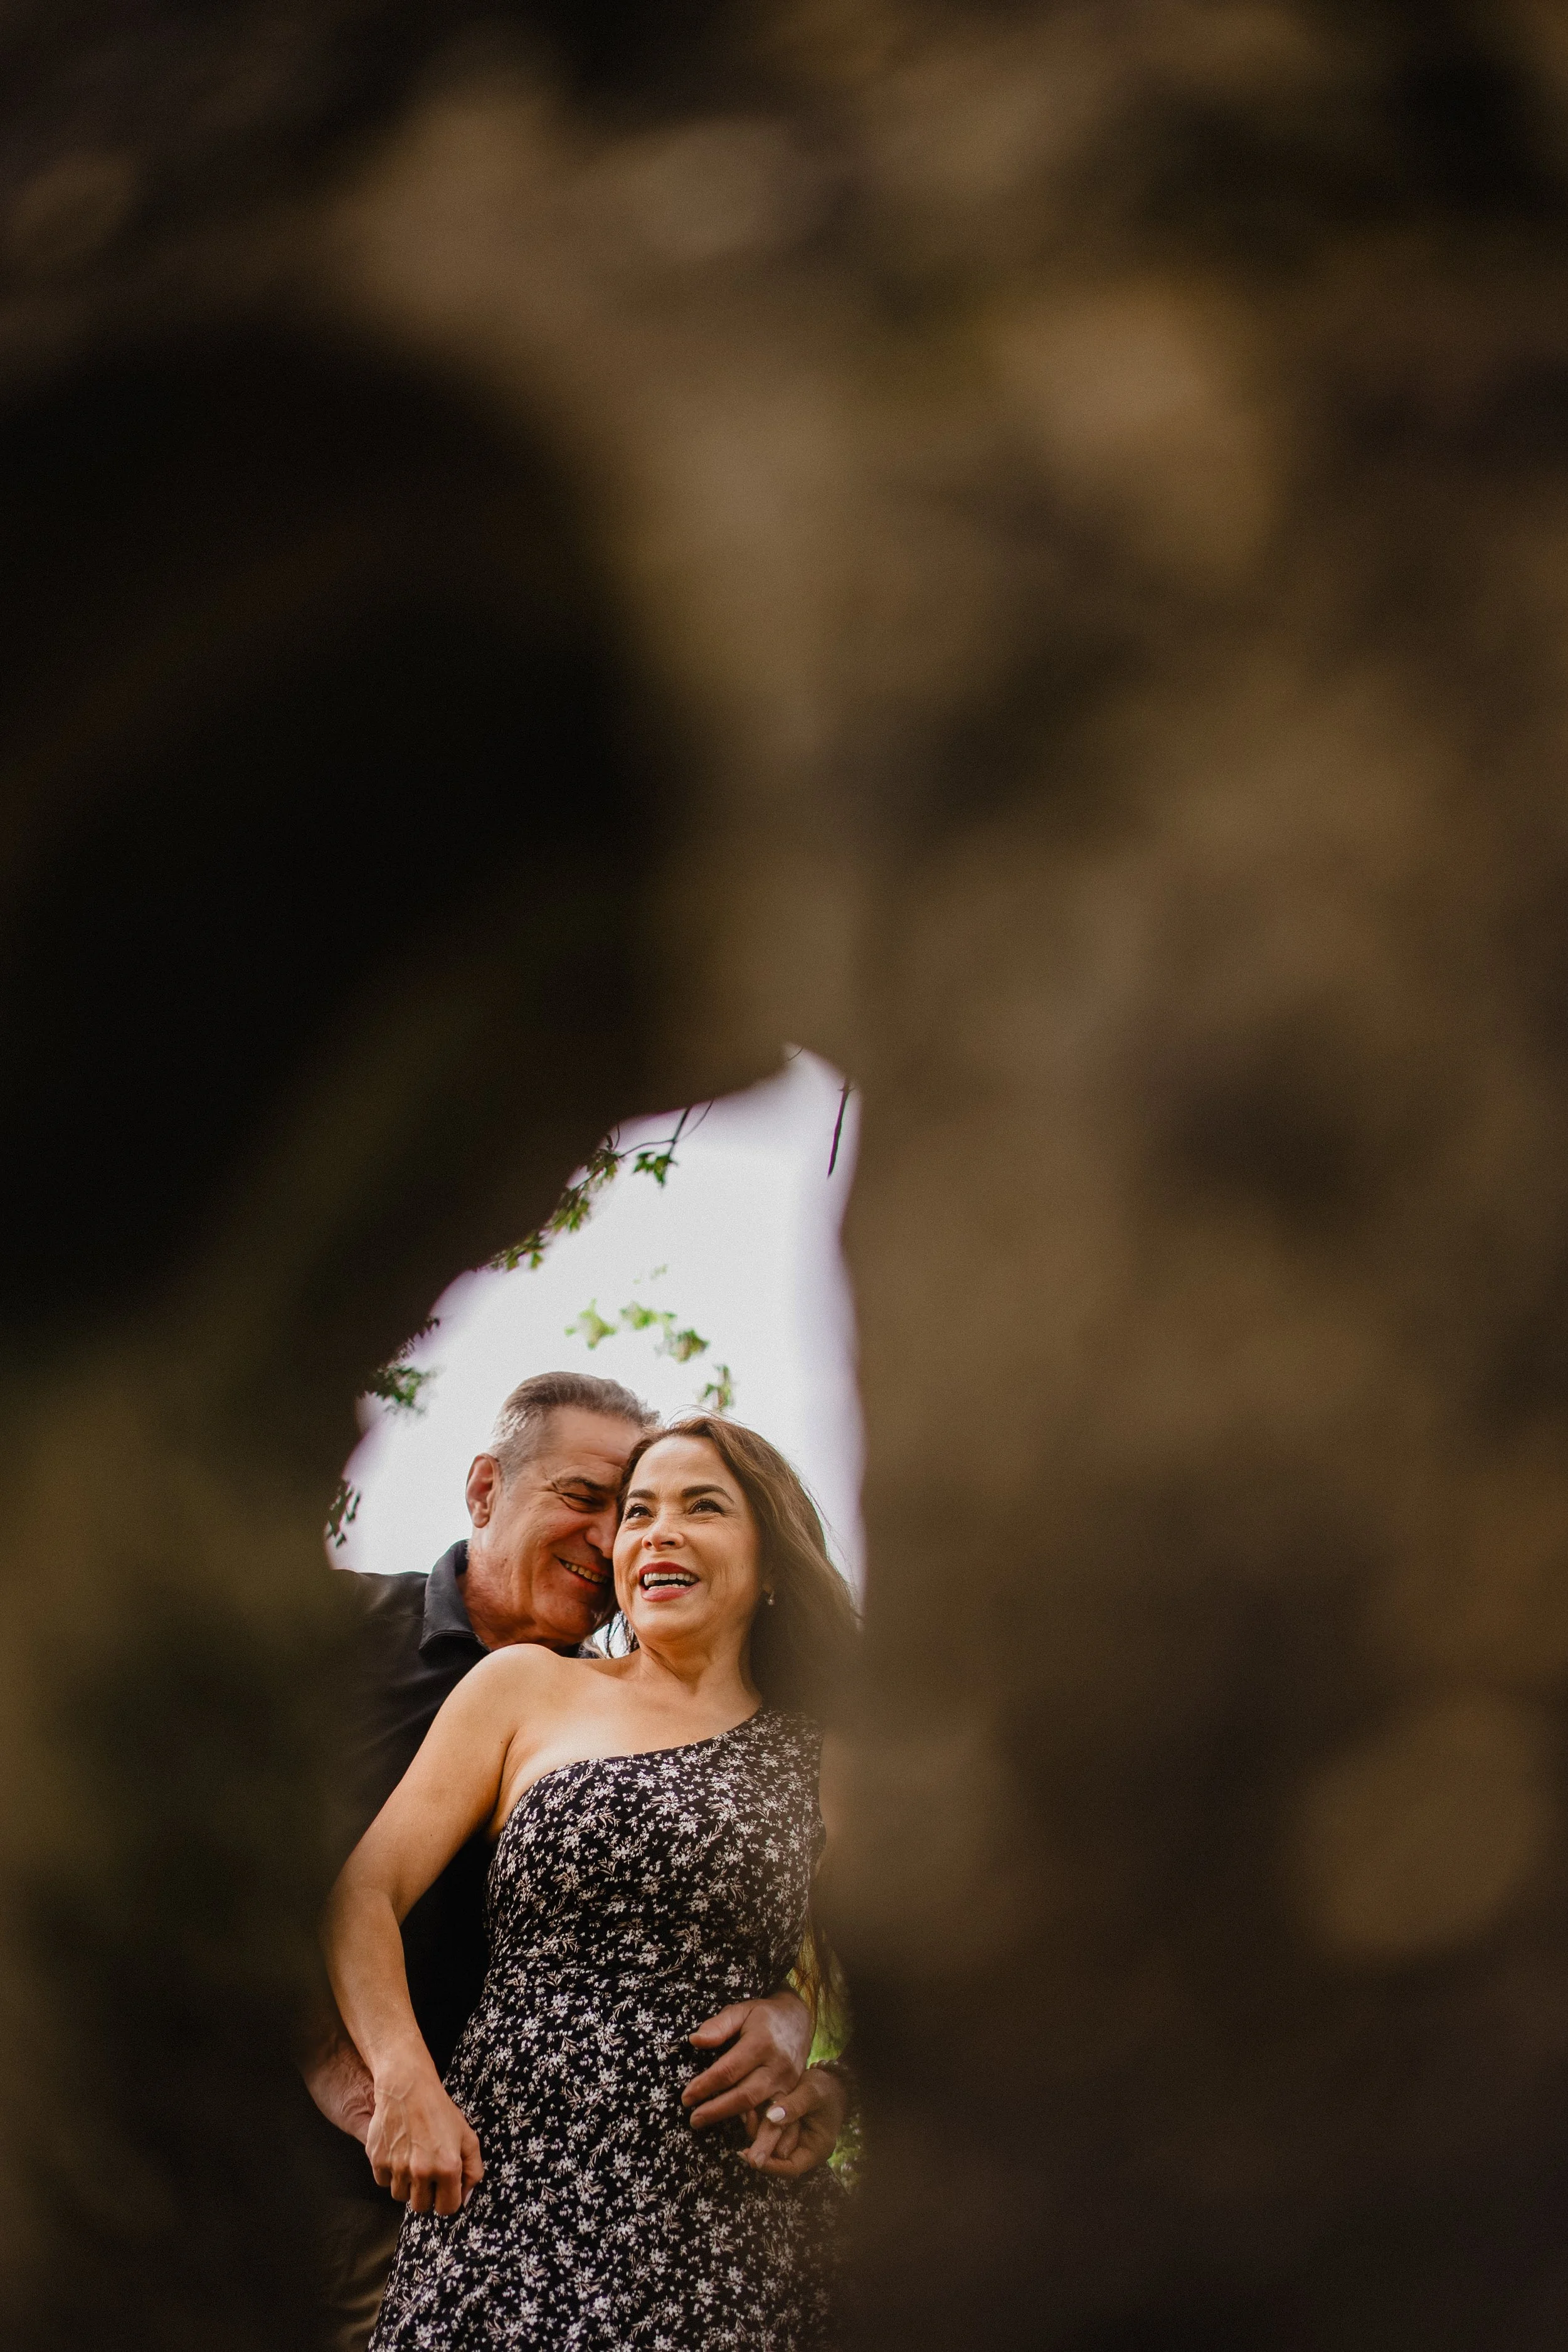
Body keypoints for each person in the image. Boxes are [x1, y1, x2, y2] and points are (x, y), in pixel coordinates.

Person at [305, 1375, 842, 2350]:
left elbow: (923, 1970)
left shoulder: (822, 1751)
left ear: (769, 1558)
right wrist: (402, 2078)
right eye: (632, 1509)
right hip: (494, 2183)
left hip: (716, 2204)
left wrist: (823, 2058)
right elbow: (362, 1891)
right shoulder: (522, 1688)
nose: (642, 1533)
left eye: (700, 1506)